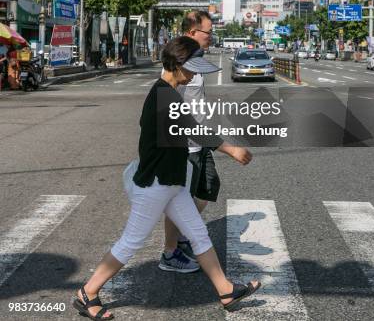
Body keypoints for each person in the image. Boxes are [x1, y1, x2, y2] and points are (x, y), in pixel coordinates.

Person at [73, 37, 260, 319]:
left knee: (198, 234)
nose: (196, 74)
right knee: (131, 241)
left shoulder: (169, 93)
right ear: (176, 64)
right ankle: (87, 292)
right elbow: (194, 130)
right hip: (156, 184)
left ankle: (225, 290)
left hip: (173, 183)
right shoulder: (165, 95)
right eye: (192, 68)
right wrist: (231, 149)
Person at [160, 11, 252, 272]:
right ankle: (170, 251)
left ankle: (183, 235)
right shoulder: (178, 66)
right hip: (184, 145)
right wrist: (228, 147)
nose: (210, 37)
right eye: (207, 32)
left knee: (208, 187)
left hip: (199, 141)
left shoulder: (196, 61)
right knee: (178, 200)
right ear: (191, 33)